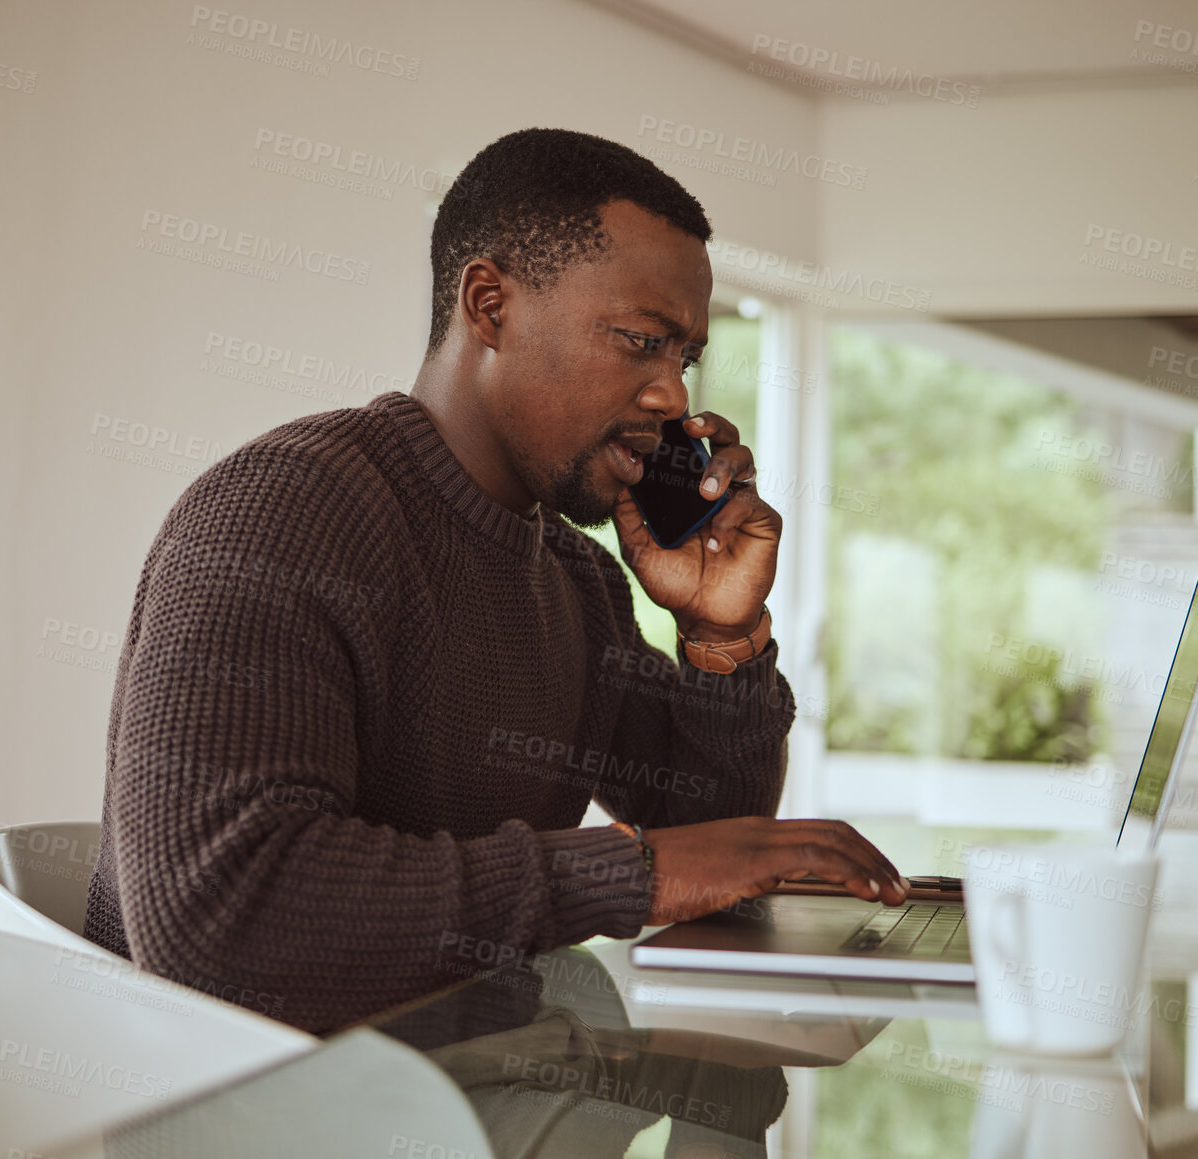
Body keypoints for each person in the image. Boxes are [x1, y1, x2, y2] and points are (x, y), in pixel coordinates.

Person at [83, 127, 909, 1034]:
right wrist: (628, 872)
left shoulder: (575, 577)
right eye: (641, 340)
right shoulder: (281, 511)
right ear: (489, 304)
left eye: (685, 356)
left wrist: (723, 639)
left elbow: (711, 837)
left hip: (474, 1100)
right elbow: (220, 916)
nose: (673, 395)